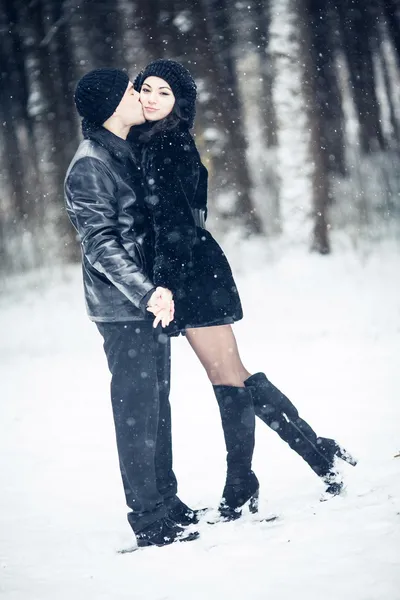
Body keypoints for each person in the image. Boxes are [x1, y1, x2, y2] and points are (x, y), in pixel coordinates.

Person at [130, 59, 357, 520]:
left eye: (164, 93)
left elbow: (175, 222)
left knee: (228, 379)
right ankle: (318, 454)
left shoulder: (168, 143)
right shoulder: (152, 141)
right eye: (146, 88)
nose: (152, 98)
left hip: (190, 272)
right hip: (190, 267)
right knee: (235, 377)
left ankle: (243, 484)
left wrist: (166, 285)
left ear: (180, 103)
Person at [64, 68, 200, 547]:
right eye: (129, 91)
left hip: (150, 301)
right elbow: (100, 243)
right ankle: (149, 520)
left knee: (156, 406)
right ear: (108, 106)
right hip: (123, 308)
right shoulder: (90, 163)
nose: (138, 95)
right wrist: (145, 291)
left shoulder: (129, 149)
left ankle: (169, 502)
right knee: (136, 411)